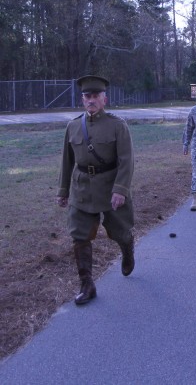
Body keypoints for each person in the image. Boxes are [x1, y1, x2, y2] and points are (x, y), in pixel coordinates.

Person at [55, 75, 135, 305]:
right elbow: (66, 161)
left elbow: (127, 160)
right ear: (82, 99)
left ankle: (128, 250)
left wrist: (120, 189)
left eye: (95, 96)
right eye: (87, 96)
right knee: (79, 235)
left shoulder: (117, 126)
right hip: (82, 189)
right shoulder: (73, 126)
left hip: (110, 188)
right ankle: (87, 285)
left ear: (104, 99)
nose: (91, 100)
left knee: (120, 231)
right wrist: (62, 190)